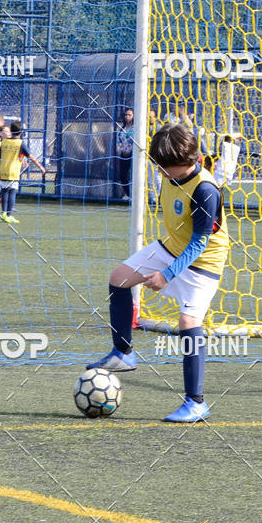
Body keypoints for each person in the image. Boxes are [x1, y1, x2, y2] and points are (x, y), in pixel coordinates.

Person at [88, 122, 230, 423]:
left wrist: (167, 274)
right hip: (170, 247)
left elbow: (200, 243)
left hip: (203, 262)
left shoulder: (206, 190)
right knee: (119, 279)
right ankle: (123, 352)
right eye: (160, 166)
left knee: (188, 322)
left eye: (167, 168)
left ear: (187, 161)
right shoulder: (171, 172)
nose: (162, 173)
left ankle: (195, 402)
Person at [0, 120, 45, 225]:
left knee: (4, 191)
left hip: (3, 171)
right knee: (12, 192)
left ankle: (4, 213)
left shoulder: (3, 142)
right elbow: (32, 157)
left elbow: (0, 159)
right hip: (13, 172)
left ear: (11, 131)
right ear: (21, 132)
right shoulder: (20, 143)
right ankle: (9, 215)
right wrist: (41, 167)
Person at [116, 107, 134, 200]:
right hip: (123, 155)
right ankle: (128, 194)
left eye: (129, 115)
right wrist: (122, 150)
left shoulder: (136, 128)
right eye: (126, 115)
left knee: (133, 175)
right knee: (123, 175)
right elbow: (119, 142)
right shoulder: (121, 129)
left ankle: (135, 195)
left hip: (133, 156)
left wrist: (130, 151)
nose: (127, 117)